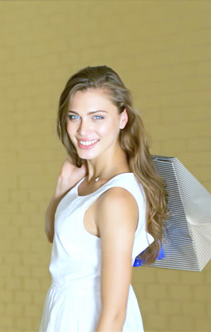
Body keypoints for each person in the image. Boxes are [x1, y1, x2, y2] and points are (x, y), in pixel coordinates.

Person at [40, 65, 167, 332]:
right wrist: (63, 186)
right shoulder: (86, 180)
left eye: (97, 117)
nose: (83, 130)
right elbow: (55, 234)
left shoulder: (116, 198)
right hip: (65, 312)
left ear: (123, 119)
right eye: (74, 117)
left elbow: (115, 312)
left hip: (91, 320)